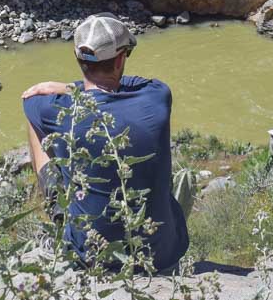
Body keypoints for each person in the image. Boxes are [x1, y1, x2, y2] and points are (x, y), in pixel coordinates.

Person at [21, 14, 188, 274]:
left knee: (34, 122)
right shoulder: (157, 98)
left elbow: (28, 98)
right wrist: (71, 87)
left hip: (90, 256)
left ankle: (57, 208)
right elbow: (136, 83)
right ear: (121, 59)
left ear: (78, 59)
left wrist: (68, 88)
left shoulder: (53, 110)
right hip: (161, 255)